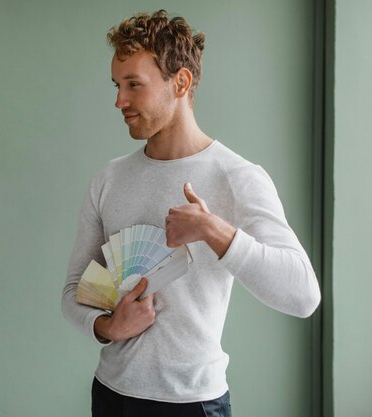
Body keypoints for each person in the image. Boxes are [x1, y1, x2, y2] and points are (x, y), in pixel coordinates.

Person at [61, 10, 321, 417]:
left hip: (193, 403)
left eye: (134, 85)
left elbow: (304, 295)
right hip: (111, 395)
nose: (119, 100)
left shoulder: (237, 177)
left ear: (180, 82)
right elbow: (74, 290)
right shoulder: (107, 180)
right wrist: (108, 327)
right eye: (117, 85)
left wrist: (214, 230)